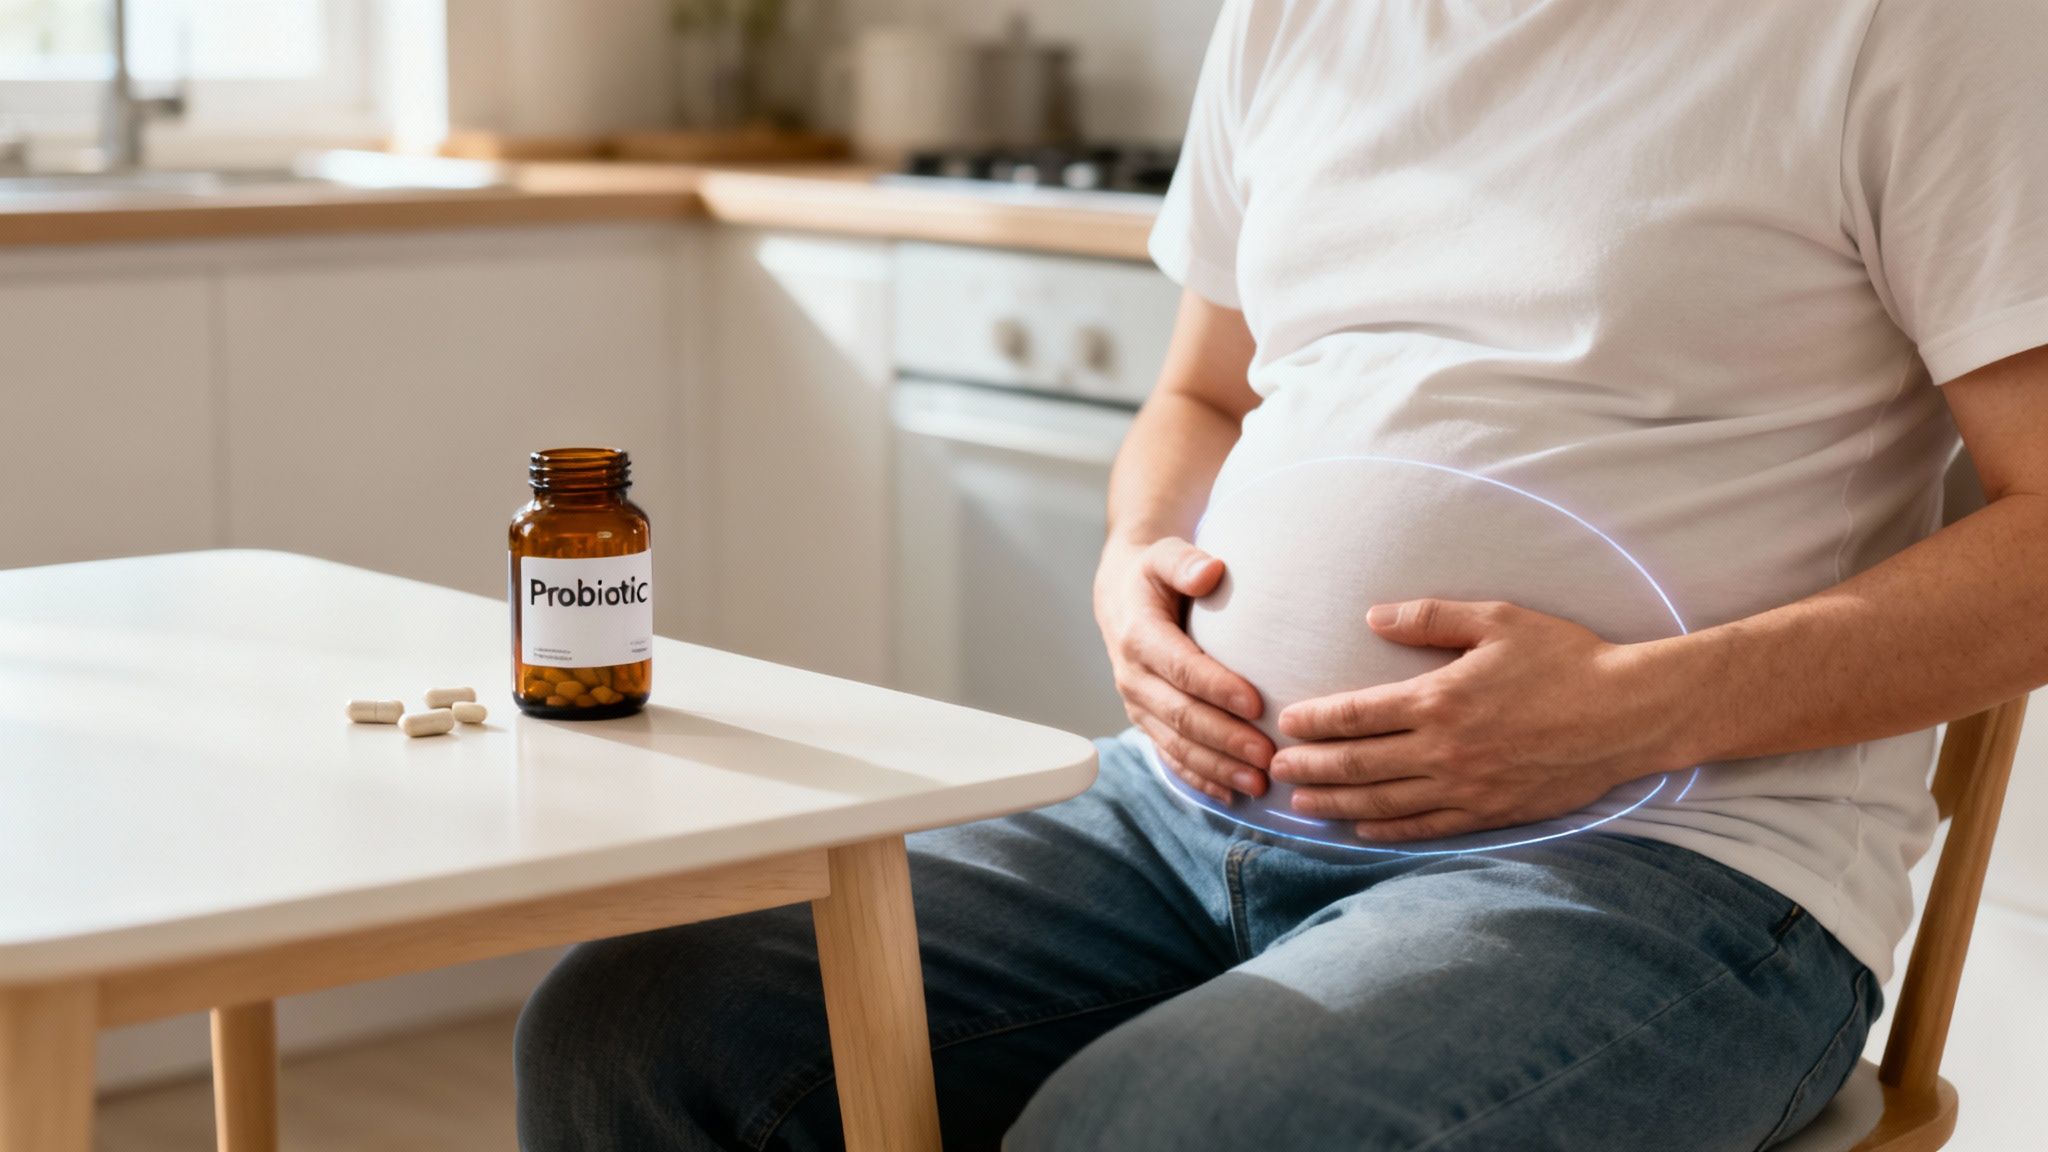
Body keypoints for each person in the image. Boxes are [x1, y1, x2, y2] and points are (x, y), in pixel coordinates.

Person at [515, 0, 2048, 1147]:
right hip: (1173, 818)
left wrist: (1635, 709)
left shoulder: (1912, 25)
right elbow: (1201, 400)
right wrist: (1132, 565)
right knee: (640, 1026)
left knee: (1151, 1138)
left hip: (1665, 874)